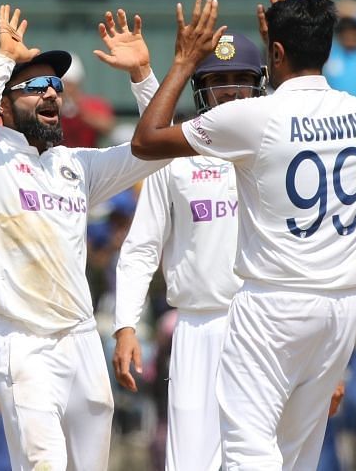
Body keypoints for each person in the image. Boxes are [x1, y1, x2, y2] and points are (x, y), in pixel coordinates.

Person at [128, 0, 356, 470]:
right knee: (297, 453)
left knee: (247, 448)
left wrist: (182, 62)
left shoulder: (254, 117)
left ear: (276, 52)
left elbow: (146, 141)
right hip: (342, 306)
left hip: (275, 305)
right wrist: (277, 51)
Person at [0, 4, 170, 470]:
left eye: (55, 86)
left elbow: (154, 152)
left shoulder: (75, 165)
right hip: (24, 342)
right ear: (4, 104)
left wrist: (144, 76)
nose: (51, 93)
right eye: (35, 87)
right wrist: (2, 62)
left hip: (83, 338)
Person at [111, 31, 267, 470]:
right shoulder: (176, 159)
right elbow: (141, 247)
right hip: (197, 327)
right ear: (200, 90)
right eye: (220, 78)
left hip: (262, 325)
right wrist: (125, 325)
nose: (232, 88)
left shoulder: (274, 153)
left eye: (242, 77)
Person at [60, 54, 116, 148]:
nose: (65, 89)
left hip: (88, 157)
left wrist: (79, 110)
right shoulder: (50, 105)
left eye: (68, 84)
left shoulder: (94, 104)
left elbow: (108, 127)